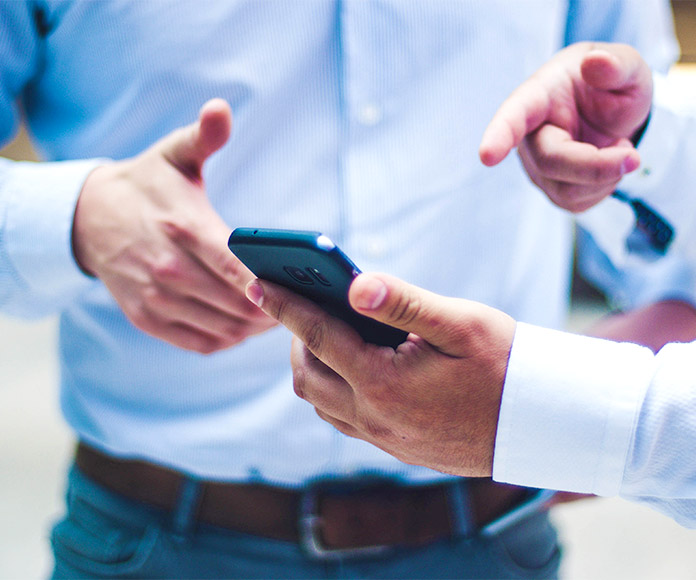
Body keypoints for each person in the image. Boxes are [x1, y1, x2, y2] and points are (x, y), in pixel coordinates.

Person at [0, 1, 689, 578]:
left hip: (489, 539)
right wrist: (74, 218)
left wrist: (565, 417)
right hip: (157, 539)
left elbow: (652, 187)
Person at [244, 42, 696, 528]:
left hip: (492, 520)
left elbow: (665, 288)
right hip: (185, 517)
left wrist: (534, 408)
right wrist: (646, 138)